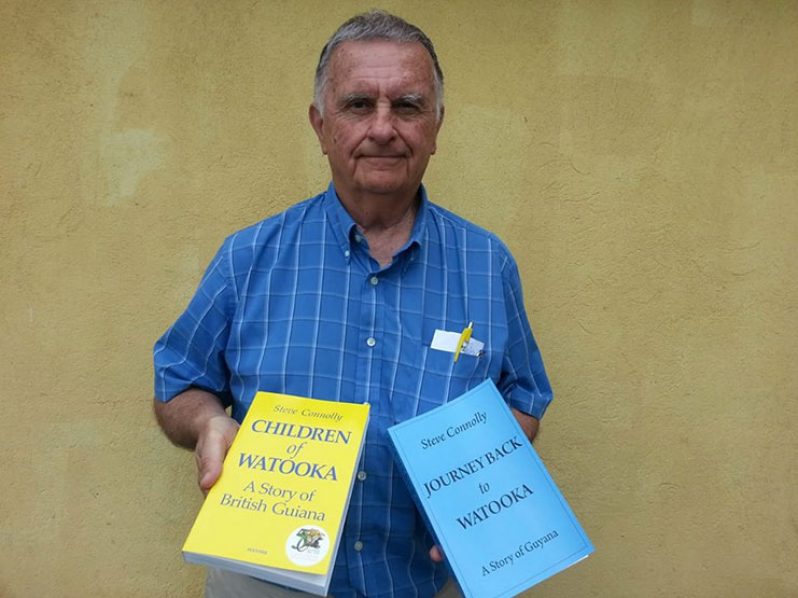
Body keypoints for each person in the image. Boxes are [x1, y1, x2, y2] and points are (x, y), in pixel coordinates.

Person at [153, 10, 552, 598]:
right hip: (266, 578)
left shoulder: (486, 264)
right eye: (359, 104)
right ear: (320, 125)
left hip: (427, 579)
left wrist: (478, 487)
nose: (384, 127)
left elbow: (524, 396)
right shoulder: (248, 257)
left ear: (437, 126)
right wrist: (210, 421)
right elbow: (177, 379)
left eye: (409, 106)